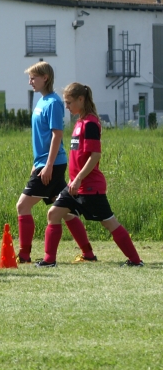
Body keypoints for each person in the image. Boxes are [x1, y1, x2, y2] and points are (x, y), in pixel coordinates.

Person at [39, 83, 144, 267]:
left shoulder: (90, 124)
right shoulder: (80, 122)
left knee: (109, 223)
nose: (66, 106)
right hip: (74, 185)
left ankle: (135, 261)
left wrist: (79, 178)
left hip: (90, 186)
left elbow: (95, 155)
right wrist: (73, 179)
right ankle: (49, 260)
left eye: (69, 102)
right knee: (53, 213)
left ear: (81, 99)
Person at [16, 61, 75, 264]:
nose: (30, 82)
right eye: (30, 78)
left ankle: (24, 255)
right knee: (65, 210)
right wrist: (38, 162)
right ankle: (88, 252)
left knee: (22, 206)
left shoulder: (54, 102)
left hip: (52, 164)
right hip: (44, 162)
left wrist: (48, 165)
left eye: (33, 78)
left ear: (45, 78)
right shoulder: (41, 101)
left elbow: (57, 134)